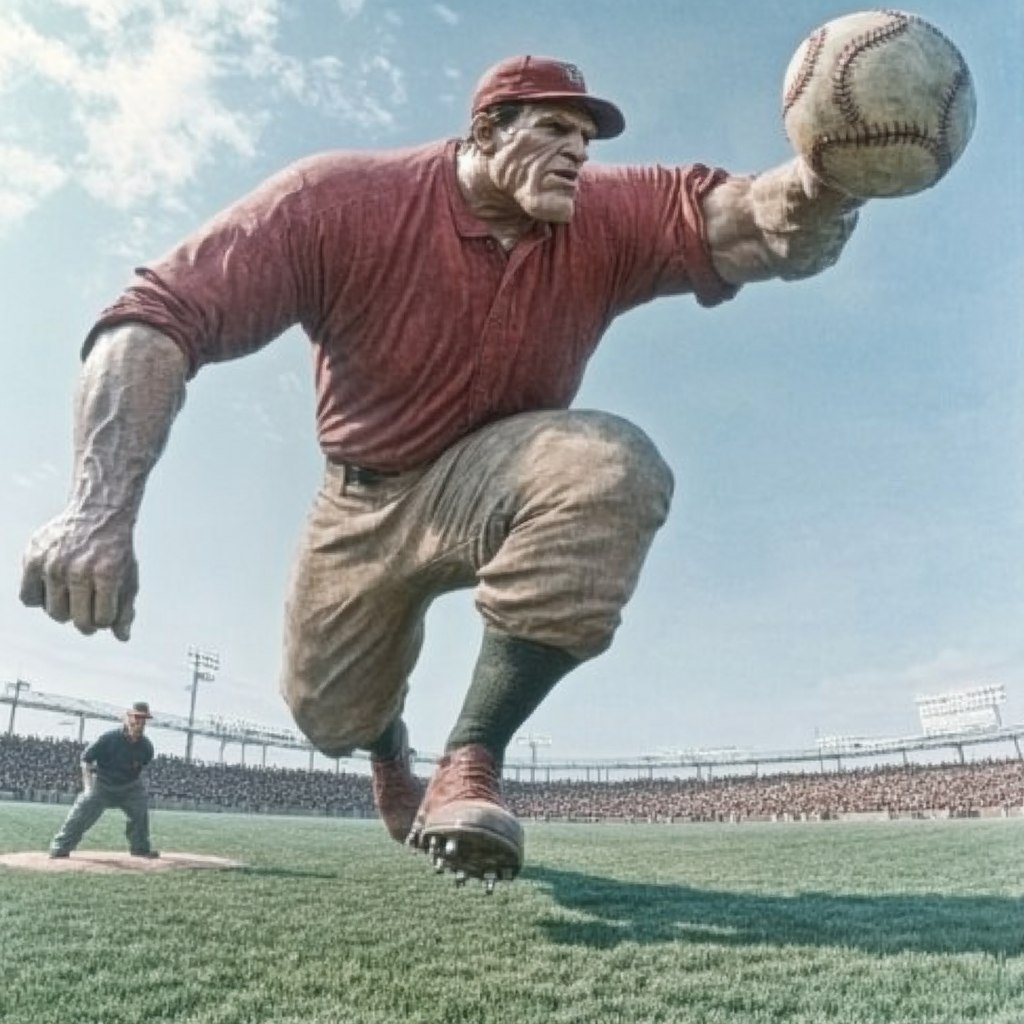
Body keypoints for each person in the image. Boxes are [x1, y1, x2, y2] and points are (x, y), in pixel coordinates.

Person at [21, 55, 859, 888]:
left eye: (586, 138)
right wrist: (98, 510)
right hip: (362, 498)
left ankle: (472, 762)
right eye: (555, 128)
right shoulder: (342, 198)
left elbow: (755, 220)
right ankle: (390, 749)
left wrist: (838, 168)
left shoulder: (602, 212)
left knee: (613, 467)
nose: (578, 152)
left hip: (498, 469)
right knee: (326, 717)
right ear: (487, 129)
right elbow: (156, 314)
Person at [49, 702, 160, 858]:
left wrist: (138, 788)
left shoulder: (147, 746)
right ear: (127, 718)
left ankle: (140, 848)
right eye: (137, 718)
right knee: (82, 811)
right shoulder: (108, 738)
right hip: (103, 784)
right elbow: (85, 760)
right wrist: (88, 787)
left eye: (144, 720)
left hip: (130, 786)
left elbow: (140, 769)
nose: (140, 724)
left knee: (140, 810)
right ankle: (60, 847)